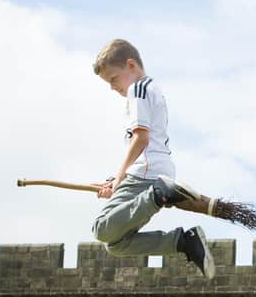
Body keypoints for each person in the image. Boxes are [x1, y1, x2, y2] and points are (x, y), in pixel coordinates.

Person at [90, 39, 215, 279]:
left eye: (114, 79)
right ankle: (183, 242)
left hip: (147, 173)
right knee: (116, 244)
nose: (112, 87)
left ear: (131, 65)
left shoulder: (138, 90)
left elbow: (141, 139)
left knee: (101, 228)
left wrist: (119, 179)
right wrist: (116, 181)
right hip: (155, 170)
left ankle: (159, 194)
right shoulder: (152, 88)